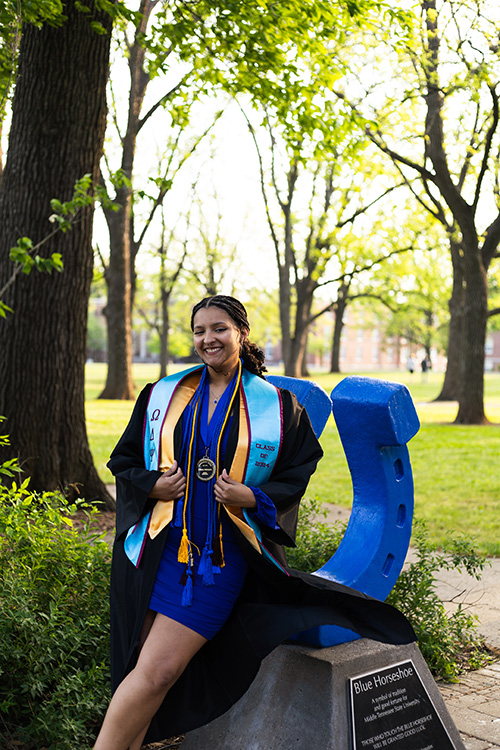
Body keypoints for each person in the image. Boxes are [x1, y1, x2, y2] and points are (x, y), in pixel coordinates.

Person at [94, 295, 415, 750]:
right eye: (200, 330)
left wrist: (253, 496)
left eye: (219, 328)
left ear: (241, 334)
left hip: (220, 561)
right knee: (143, 675)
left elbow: (299, 470)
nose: (209, 339)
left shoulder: (278, 409)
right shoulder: (164, 396)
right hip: (157, 551)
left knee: (157, 672)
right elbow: (123, 459)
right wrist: (152, 486)